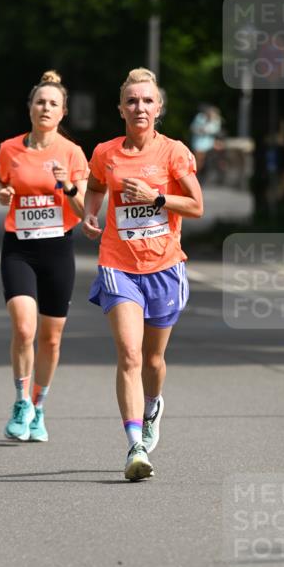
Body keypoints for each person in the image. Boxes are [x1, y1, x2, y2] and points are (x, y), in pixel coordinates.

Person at [83, 68, 204, 481]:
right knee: (129, 354)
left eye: (147, 101)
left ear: (159, 109)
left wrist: (156, 197)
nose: (140, 107)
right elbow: (97, 185)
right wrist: (89, 211)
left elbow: (196, 205)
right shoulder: (105, 153)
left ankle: (153, 406)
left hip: (165, 267)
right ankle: (135, 445)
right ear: (121, 108)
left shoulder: (173, 152)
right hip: (118, 264)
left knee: (153, 358)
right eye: (132, 101)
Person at [0, 70, 88, 442]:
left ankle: (40, 405)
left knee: (50, 338)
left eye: (53, 103)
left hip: (58, 249)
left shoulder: (72, 153)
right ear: (30, 108)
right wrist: (1, 193)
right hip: (19, 246)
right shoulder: (9, 149)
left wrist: (66, 185)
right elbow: (2, 183)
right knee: (23, 328)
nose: (45, 108)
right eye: (40, 102)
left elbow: (83, 211)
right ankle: (21, 401)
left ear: (62, 112)